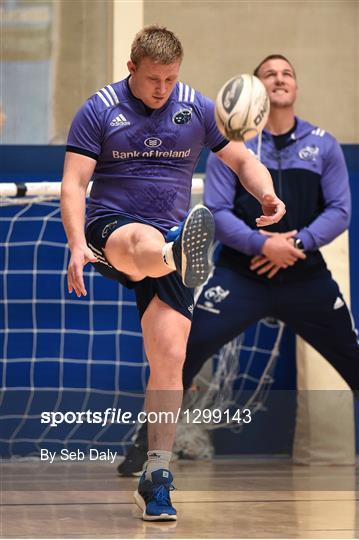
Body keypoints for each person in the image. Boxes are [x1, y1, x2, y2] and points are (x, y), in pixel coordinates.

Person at [60, 28, 285, 522]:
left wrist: (266, 194)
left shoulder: (196, 108)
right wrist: (77, 244)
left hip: (176, 232)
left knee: (170, 357)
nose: (162, 88)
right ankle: (175, 253)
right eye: (152, 78)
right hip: (112, 227)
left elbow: (243, 160)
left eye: (170, 78)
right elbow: (75, 184)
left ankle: (156, 476)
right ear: (131, 68)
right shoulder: (99, 109)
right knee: (141, 242)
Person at [119, 53, 359, 477]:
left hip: (305, 275)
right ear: (255, 92)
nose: (279, 79)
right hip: (240, 276)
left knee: (352, 356)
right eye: (269, 74)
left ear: (296, 87)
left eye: (288, 73)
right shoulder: (233, 148)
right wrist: (261, 245)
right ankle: (146, 449)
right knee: (181, 351)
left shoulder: (323, 144)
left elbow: (340, 209)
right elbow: (217, 210)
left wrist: (296, 242)